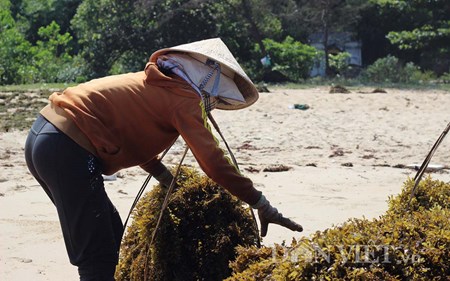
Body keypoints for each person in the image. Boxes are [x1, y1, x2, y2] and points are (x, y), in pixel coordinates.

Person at [24, 38, 303, 281]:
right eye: (215, 98)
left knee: (109, 231)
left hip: (45, 137)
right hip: (66, 149)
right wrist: (259, 202)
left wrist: (164, 177)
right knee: (96, 256)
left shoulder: (159, 82)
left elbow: (129, 134)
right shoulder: (183, 98)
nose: (212, 104)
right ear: (208, 80)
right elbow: (214, 163)